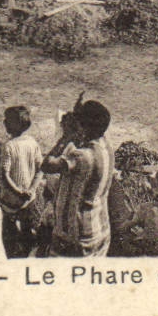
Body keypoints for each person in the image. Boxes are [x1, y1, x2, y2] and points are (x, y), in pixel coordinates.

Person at [43, 100, 114, 257]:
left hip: (77, 238)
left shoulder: (81, 157)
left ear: (84, 127)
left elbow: (47, 165)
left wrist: (66, 137)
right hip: (100, 230)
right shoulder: (107, 148)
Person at [0, 105, 43, 258]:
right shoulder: (33, 143)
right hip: (29, 200)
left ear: (16, 124)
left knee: (10, 240)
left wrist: (18, 192)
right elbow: (41, 169)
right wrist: (31, 190)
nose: (4, 122)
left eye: (8, 120)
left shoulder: (9, 146)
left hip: (11, 202)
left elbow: (4, 175)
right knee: (27, 236)